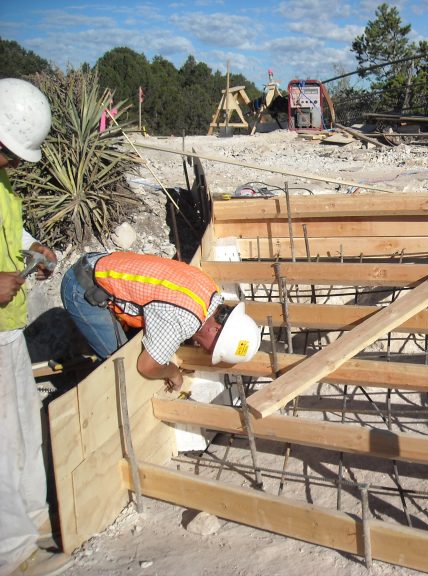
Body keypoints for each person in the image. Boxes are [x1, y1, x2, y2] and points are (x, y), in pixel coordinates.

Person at [0, 78, 70, 576]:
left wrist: (32, 247)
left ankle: (34, 520)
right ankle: (11, 551)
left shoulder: (2, 186)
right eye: (10, 154)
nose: (14, 164)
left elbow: (10, 227)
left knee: (23, 427)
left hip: (8, 329)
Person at [60, 251, 261, 390]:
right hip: (83, 288)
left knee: (134, 343)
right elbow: (146, 366)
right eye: (212, 349)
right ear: (215, 329)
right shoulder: (185, 320)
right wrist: (172, 372)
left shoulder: (210, 290)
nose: (206, 351)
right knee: (124, 366)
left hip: (97, 263)